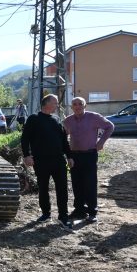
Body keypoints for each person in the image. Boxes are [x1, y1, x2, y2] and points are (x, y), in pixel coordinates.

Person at [21, 94, 73, 228]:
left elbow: (63, 141)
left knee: (62, 189)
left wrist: (69, 156)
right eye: (55, 103)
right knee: (43, 187)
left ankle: (63, 216)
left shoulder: (56, 119)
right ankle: (46, 213)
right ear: (46, 104)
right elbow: (25, 138)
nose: (57, 105)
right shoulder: (34, 119)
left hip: (58, 161)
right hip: (41, 160)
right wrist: (27, 155)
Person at [63, 97, 115, 223]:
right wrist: (67, 155)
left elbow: (110, 126)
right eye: (74, 104)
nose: (77, 106)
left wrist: (101, 141)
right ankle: (79, 210)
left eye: (80, 104)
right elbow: (63, 137)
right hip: (74, 156)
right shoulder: (67, 121)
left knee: (90, 183)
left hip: (89, 154)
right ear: (71, 107)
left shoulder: (94, 117)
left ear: (85, 106)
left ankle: (92, 212)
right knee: (76, 183)